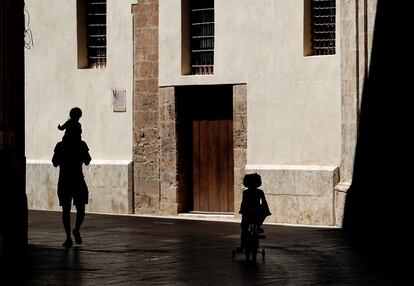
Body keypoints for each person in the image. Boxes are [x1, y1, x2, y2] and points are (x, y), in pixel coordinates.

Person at [52, 135, 91, 247]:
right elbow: (87, 161)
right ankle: (73, 232)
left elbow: (54, 162)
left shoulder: (61, 145)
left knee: (66, 210)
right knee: (80, 209)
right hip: (77, 179)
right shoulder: (81, 144)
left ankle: (70, 235)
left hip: (65, 180)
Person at [237, 173, 271, 251]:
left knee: (244, 229)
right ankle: (258, 226)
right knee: (261, 216)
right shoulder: (260, 192)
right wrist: (267, 210)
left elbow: (244, 202)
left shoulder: (245, 192)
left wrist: (242, 210)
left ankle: (242, 246)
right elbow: (264, 202)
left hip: (248, 210)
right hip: (257, 210)